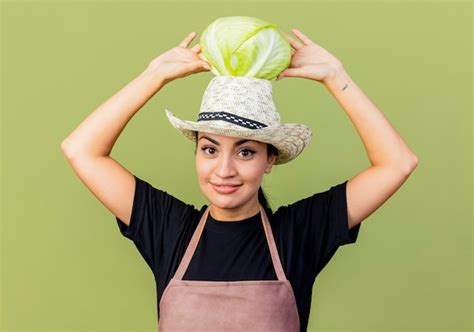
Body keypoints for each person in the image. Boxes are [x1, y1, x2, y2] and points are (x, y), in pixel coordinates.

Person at [61, 29, 418, 332]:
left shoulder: (299, 233)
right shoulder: (168, 228)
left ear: (269, 160)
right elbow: (81, 149)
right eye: (210, 149)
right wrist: (153, 76)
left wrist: (337, 77)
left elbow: (397, 163)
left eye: (245, 152)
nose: (224, 170)